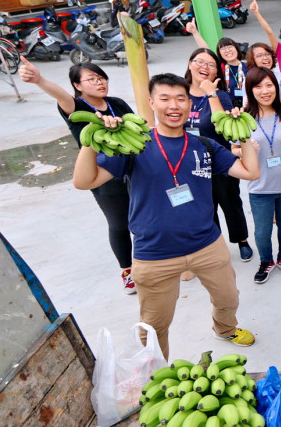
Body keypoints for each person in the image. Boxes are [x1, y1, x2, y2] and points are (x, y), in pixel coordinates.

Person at [72, 73, 261, 358]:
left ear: (190, 104)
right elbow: (84, 181)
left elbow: (251, 172)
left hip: (207, 245)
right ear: (151, 103)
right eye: (165, 98)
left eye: (180, 99)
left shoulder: (204, 147)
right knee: (154, 323)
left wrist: (242, 134)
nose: (174, 105)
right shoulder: (134, 145)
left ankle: (224, 328)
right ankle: (157, 369)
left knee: (228, 298)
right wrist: (91, 142)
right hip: (154, 253)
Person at [18, 58, 135, 293]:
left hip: (133, 168)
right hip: (102, 175)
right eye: (92, 79)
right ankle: (128, 271)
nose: (100, 83)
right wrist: (39, 79)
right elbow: (61, 96)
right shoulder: (77, 109)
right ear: (78, 85)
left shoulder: (117, 103)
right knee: (119, 224)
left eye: (102, 78)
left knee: (143, 217)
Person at [184, 48, 253, 262]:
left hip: (219, 161)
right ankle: (215, 244)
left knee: (231, 203)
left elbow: (220, 125)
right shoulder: (180, 93)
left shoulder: (221, 96)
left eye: (211, 64)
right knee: (204, 208)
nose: (204, 67)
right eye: (199, 62)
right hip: (190, 163)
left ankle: (241, 240)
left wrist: (210, 93)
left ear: (217, 72)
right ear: (190, 64)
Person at [243, 67, 281, 284]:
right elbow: (232, 149)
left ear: (276, 87)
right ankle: (266, 261)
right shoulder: (244, 119)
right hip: (260, 185)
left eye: (269, 85)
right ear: (250, 90)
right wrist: (247, 150)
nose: (265, 91)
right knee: (262, 230)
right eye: (258, 86)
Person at [184, 22, 249, 109]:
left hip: (247, 106)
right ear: (219, 54)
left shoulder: (249, 66)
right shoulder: (220, 67)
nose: (227, 50)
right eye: (222, 48)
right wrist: (195, 32)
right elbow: (206, 50)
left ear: (237, 49)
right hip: (225, 106)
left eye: (230, 47)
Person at [245, 41, 281, 108]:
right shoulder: (249, 78)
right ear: (252, 59)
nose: (265, 58)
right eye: (259, 55)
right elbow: (247, 105)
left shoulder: (280, 76)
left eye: (267, 54)